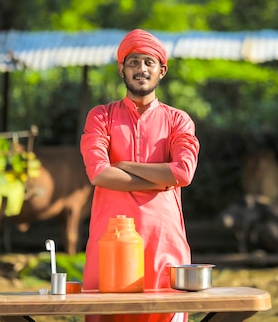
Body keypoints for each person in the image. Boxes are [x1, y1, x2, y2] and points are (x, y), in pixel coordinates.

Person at [80, 29, 200, 322]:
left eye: (149, 62)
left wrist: (124, 165)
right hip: (110, 241)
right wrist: (162, 180)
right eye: (133, 62)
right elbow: (99, 174)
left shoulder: (177, 120)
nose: (141, 69)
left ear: (162, 70)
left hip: (163, 242)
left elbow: (183, 172)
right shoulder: (101, 116)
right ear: (121, 68)